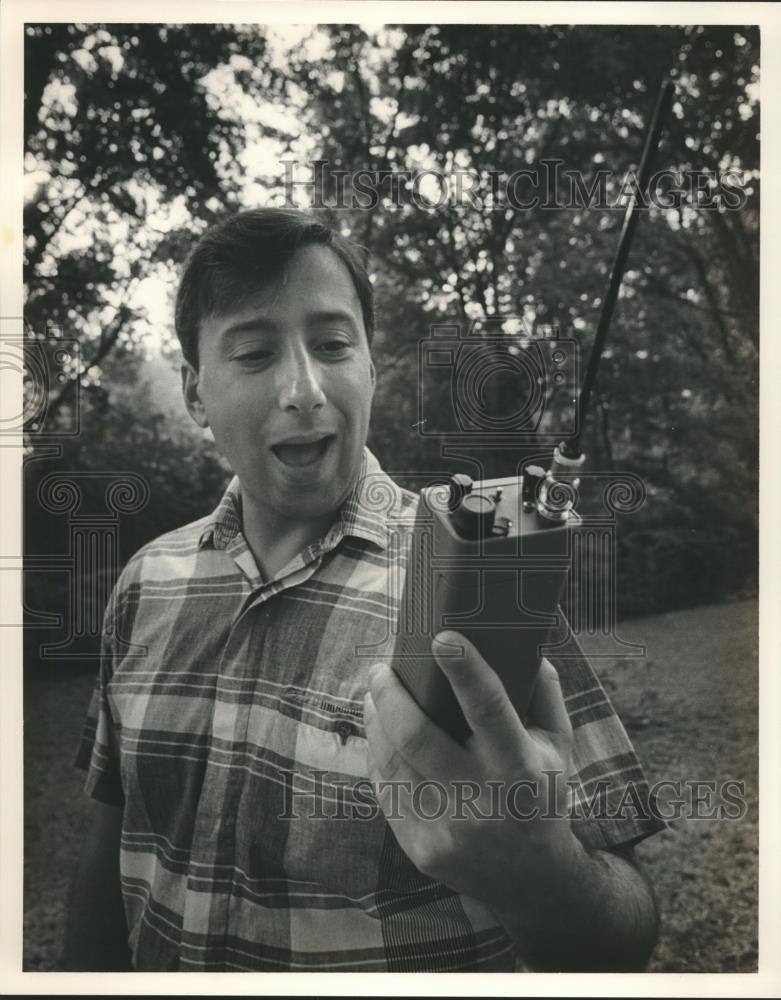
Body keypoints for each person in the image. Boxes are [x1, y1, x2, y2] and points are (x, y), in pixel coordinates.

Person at [66, 208, 664, 973]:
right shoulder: (144, 584)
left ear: (371, 369)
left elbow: (625, 937)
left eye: (333, 345)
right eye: (252, 353)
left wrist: (540, 877)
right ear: (192, 392)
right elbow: (108, 843)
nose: (303, 389)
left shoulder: (486, 585)